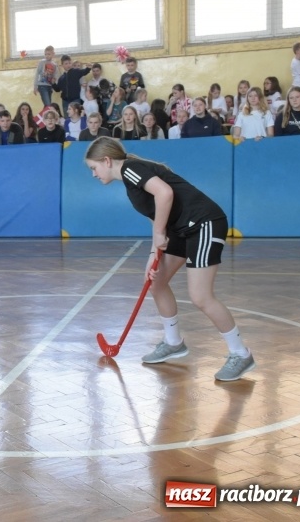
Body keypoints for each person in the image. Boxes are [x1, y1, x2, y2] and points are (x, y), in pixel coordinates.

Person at [84, 136, 256, 382]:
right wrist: (154, 253)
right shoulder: (130, 182)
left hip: (203, 223)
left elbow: (165, 193)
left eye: (94, 168)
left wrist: (158, 234)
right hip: (180, 229)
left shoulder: (130, 169)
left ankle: (241, 354)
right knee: (156, 281)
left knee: (201, 296)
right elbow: (156, 213)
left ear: (107, 160)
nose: (93, 174)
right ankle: (174, 342)